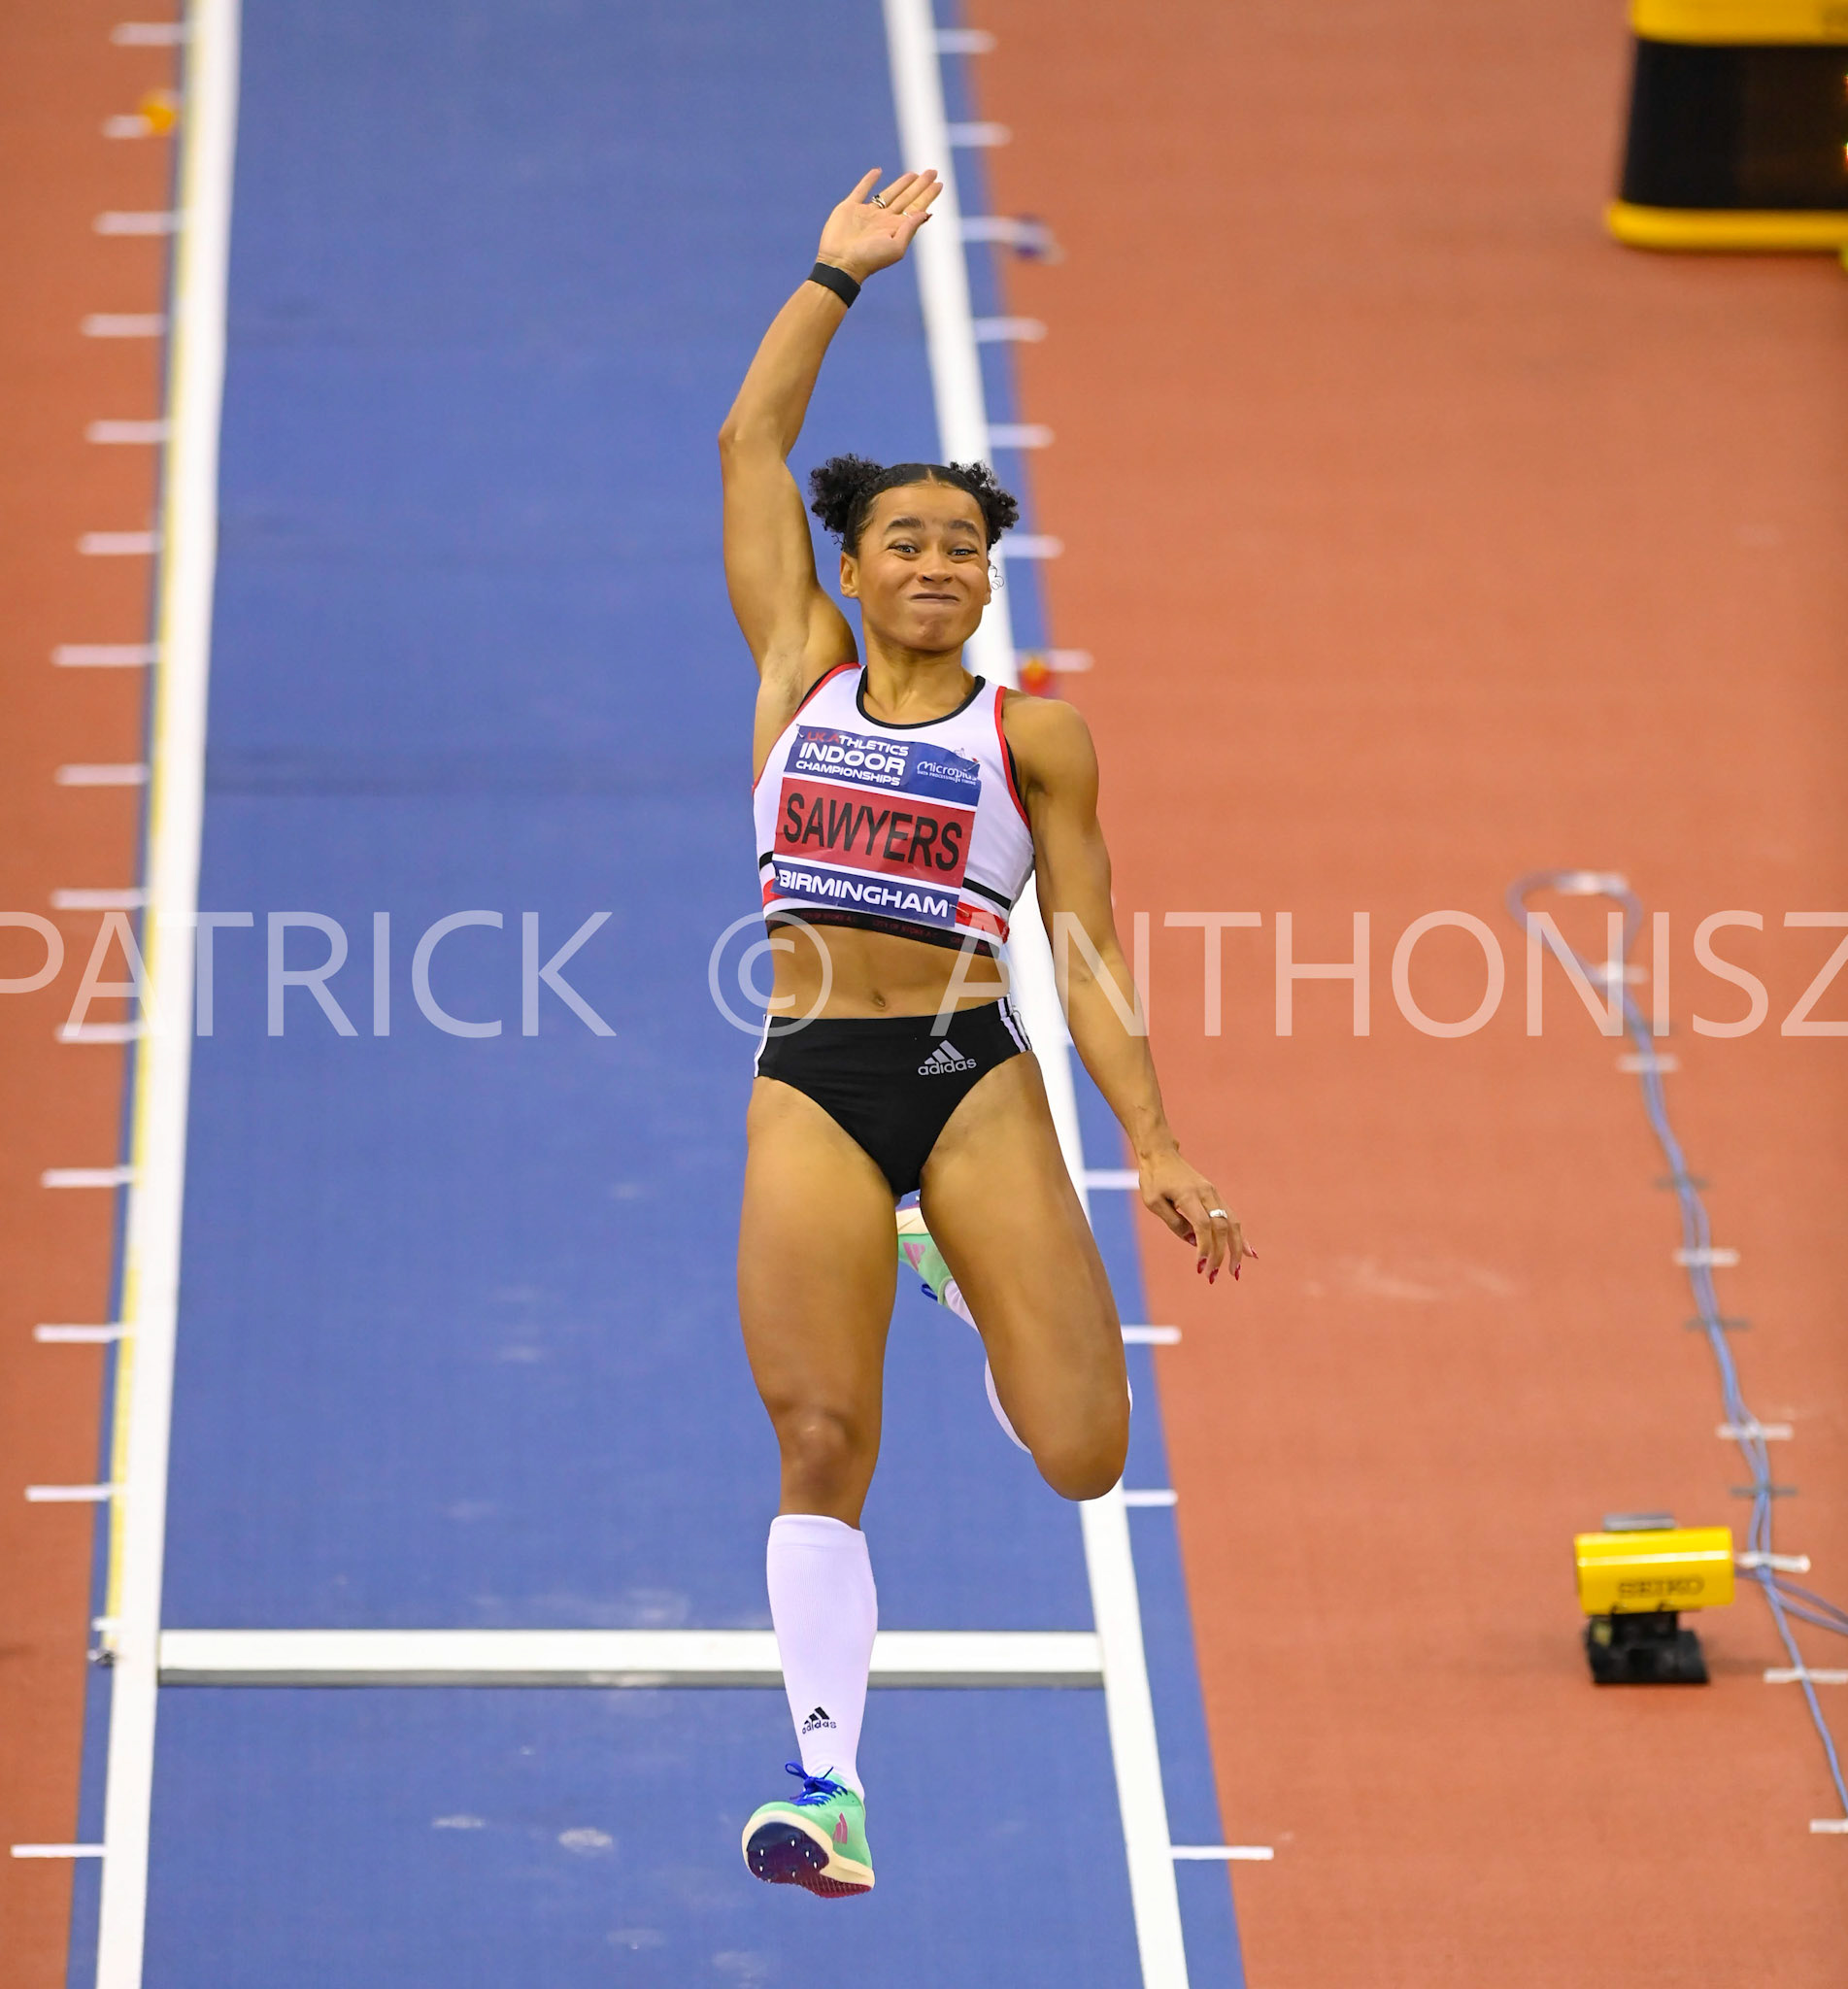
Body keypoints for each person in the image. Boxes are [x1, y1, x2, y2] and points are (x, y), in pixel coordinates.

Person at [720, 168, 1253, 1899]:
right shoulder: (796, 664)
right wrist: (832, 276)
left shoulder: (1043, 740)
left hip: (970, 1078)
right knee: (818, 1435)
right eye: (906, 541)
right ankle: (829, 1787)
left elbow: (1082, 947)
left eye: (966, 543)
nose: (938, 562)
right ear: (856, 568)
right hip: (810, 1078)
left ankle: (947, 1251)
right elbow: (750, 444)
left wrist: (1156, 1140)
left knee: (1088, 1461)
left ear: (986, 577)